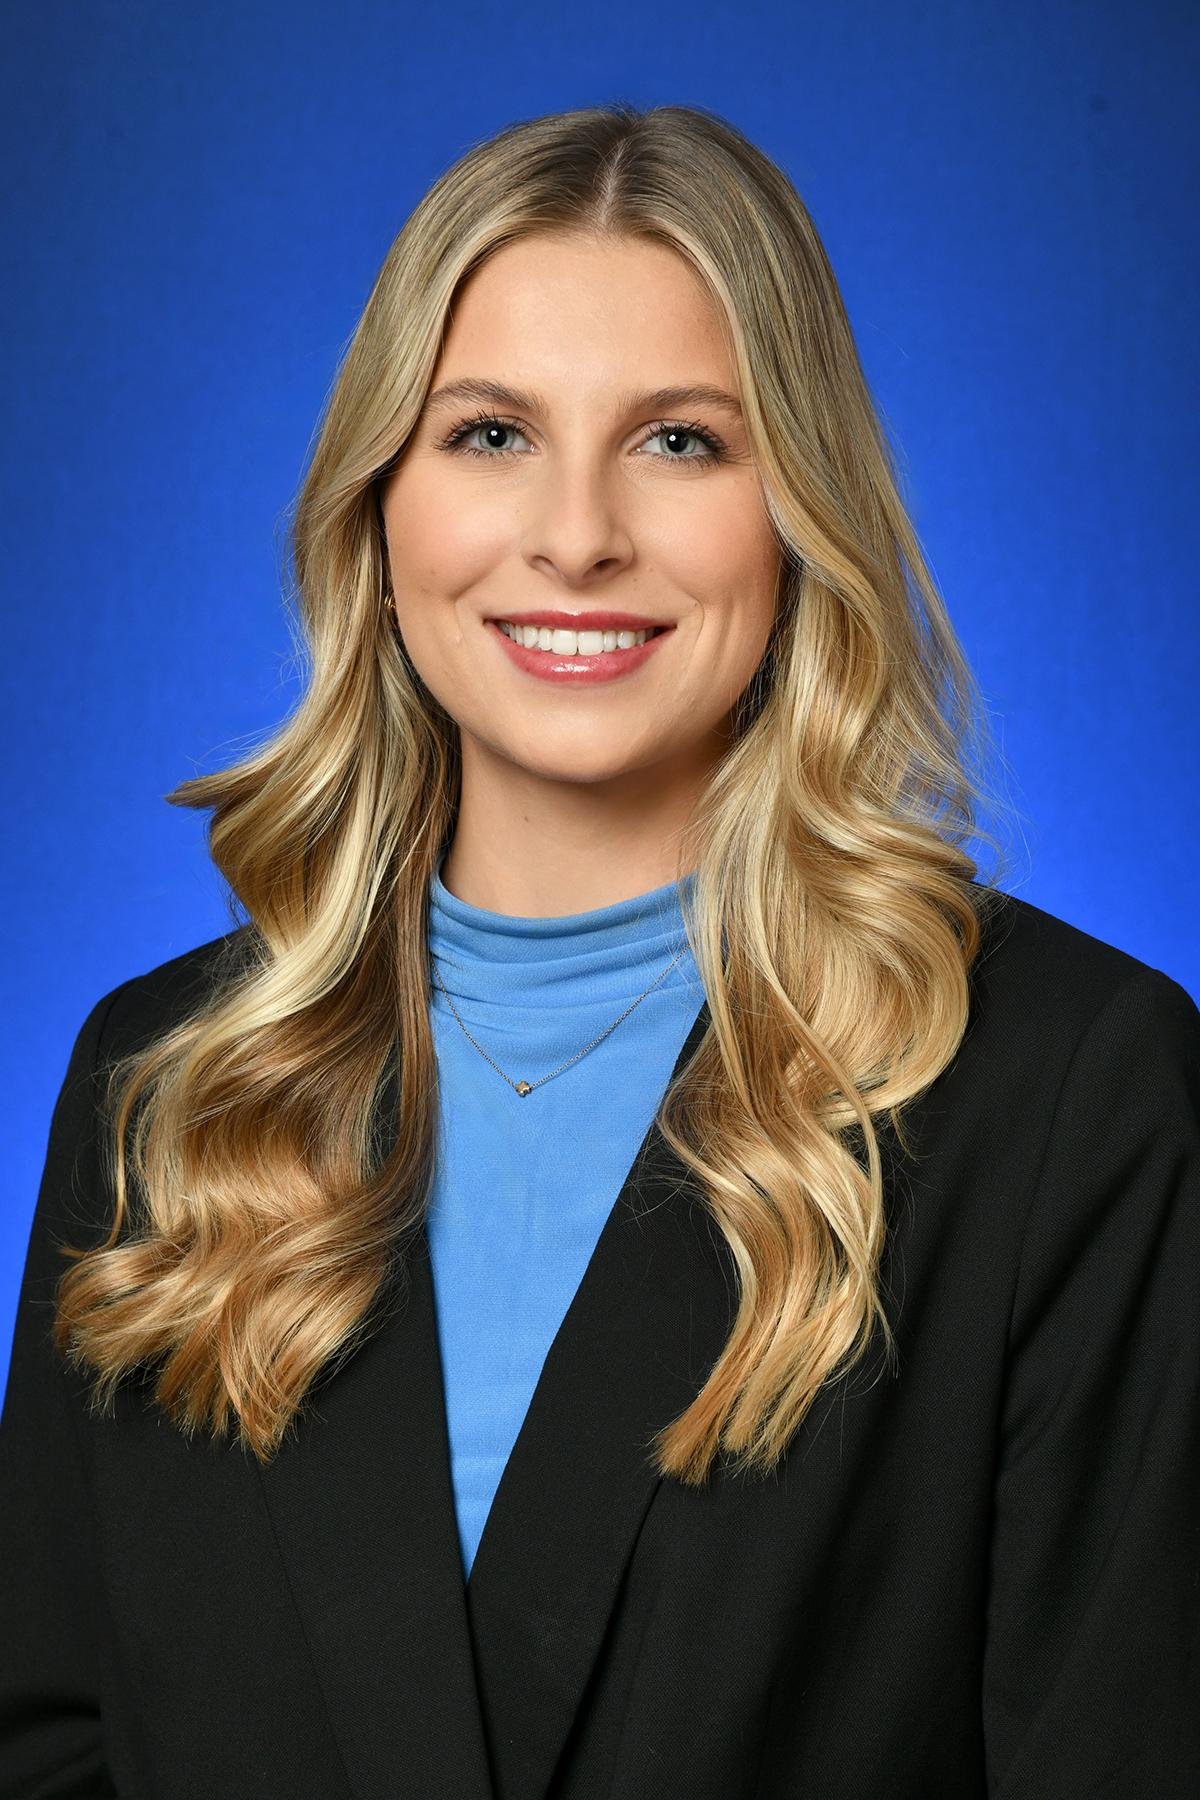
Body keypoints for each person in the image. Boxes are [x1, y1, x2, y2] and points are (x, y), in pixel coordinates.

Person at [1, 100, 1196, 1800]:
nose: (575, 534)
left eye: (682, 442)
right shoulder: (161, 1094)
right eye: (489, 434)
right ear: (379, 507)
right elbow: (51, 1745)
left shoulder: (1072, 1087)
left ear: (800, 511)